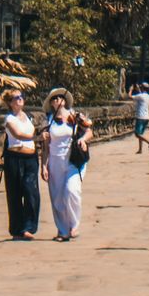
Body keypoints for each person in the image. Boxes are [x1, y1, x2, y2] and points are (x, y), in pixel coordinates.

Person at [42, 88, 92, 241]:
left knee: (72, 191)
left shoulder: (74, 116)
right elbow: (45, 147)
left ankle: (74, 224)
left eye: (60, 97)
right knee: (57, 197)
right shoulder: (48, 121)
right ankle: (62, 230)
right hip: (55, 161)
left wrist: (83, 140)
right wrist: (43, 165)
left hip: (73, 160)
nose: (58, 100)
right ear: (51, 102)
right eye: (54, 98)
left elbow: (89, 130)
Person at [2, 89, 40, 239]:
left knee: (31, 192)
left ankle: (29, 227)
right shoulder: (9, 119)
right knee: (15, 193)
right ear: (10, 103)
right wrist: (36, 137)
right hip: (14, 158)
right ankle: (17, 229)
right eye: (15, 98)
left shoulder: (29, 116)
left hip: (30, 158)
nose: (19, 99)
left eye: (21, 97)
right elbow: (18, 134)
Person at [131, 83, 149, 154]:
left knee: (137, 134)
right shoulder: (148, 96)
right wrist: (139, 89)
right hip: (146, 117)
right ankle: (140, 149)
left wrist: (131, 90)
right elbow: (141, 95)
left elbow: (130, 96)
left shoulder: (140, 96)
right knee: (141, 134)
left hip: (140, 116)